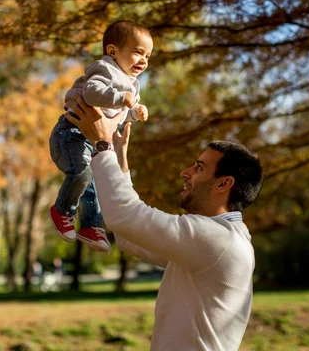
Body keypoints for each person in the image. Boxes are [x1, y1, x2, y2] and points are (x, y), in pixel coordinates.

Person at [64, 95, 264, 351]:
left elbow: (125, 217)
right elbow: (129, 234)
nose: (186, 173)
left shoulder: (219, 239)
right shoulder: (216, 239)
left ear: (224, 184)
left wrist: (102, 145)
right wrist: (118, 159)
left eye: (199, 168)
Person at [48, 20, 153, 253]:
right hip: (71, 133)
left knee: (97, 181)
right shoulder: (104, 69)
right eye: (138, 53)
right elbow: (92, 93)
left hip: (92, 139)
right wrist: (121, 98)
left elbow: (119, 115)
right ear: (113, 51)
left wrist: (135, 113)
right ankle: (63, 210)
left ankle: (91, 225)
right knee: (84, 172)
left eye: (148, 56)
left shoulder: (132, 86)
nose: (144, 60)